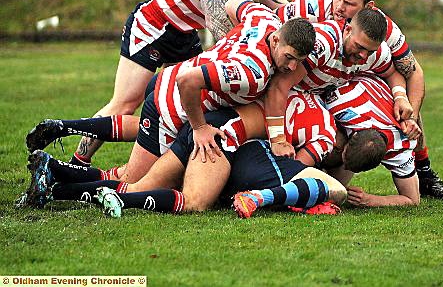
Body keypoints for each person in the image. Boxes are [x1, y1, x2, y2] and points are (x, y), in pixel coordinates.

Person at [19, 1, 315, 211]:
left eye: (297, 62)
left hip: (167, 83)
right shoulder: (253, 72)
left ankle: (58, 146)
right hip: (172, 104)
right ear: (276, 39)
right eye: (288, 57)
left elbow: (236, 3)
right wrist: (199, 128)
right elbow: (190, 81)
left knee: (133, 172)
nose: (290, 67)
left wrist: (229, 42)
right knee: (135, 181)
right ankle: (55, 178)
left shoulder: (264, 19)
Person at [71, 0, 292, 168]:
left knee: (183, 106)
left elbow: (285, 11)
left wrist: (307, 31)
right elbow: (217, 24)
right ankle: (78, 161)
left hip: (185, 34)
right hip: (154, 27)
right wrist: (247, 56)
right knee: (125, 103)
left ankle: (157, 168)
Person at [275, 0, 443, 199]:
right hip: (305, 86)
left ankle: (424, 172)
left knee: (405, 113)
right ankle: (287, 178)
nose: (339, 7)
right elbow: (271, 21)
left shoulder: (383, 31)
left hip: (342, 84)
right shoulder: (314, 9)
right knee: (322, 132)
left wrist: (406, 110)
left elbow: (413, 72)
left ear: (368, 7)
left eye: (349, 3)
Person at [19, 107, 346, 218]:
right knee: (193, 202)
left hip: (194, 113)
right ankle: (112, 197)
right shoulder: (321, 136)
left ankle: (55, 174)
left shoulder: (291, 90)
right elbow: (329, 184)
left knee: (136, 178)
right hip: (212, 129)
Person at [263, 7, 415, 166]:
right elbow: (279, 85)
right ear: (348, 30)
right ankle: (290, 179)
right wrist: (278, 139)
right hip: (288, 91)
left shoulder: (375, 52)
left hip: (316, 95)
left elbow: (392, 73)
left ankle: (322, 180)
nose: (363, 55)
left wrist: (400, 97)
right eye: (360, 47)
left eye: (370, 51)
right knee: (325, 135)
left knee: (343, 144)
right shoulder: (324, 44)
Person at [320, 75, 421, 207]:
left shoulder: (401, 149)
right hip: (358, 77)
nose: (344, 167)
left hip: (382, 94)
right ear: (353, 136)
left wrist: (370, 200)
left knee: (331, 191)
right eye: (344, 155)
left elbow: (413, 200)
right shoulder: (340, 103)